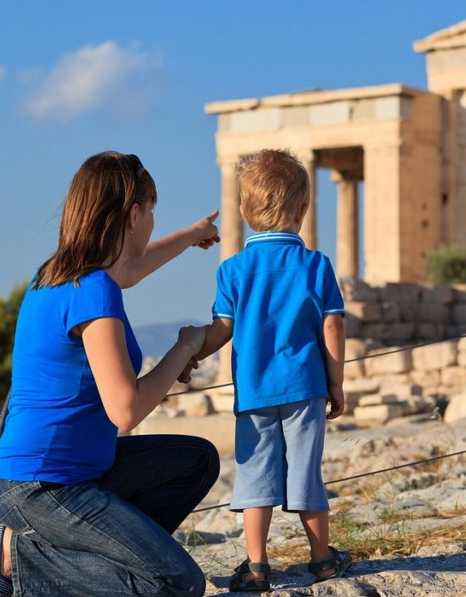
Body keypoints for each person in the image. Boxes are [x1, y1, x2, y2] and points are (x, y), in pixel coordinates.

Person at [0, 151, 222, 597]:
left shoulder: (57, 275)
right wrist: (183, 346)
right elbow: (126, 410)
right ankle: (14, 555)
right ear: (134, 213)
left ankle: (101, 559)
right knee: (175, 582)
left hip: (75, 473)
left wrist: (193, 235)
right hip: (40, 484)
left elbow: (130, 269)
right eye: (152, 211)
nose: (151, 223)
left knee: (195, 460)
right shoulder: (93, 291)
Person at [181, 148, 352, 592]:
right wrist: (337, 383)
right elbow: (331, 326)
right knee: (306, 471)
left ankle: (256, 565)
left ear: (243, 211)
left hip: (254, 392)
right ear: (303, 210)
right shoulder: (316, 265)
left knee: (255, 475)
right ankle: (322, 561)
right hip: (305, 387)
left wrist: (191, 353)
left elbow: (222, 331)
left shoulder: (232, 270)